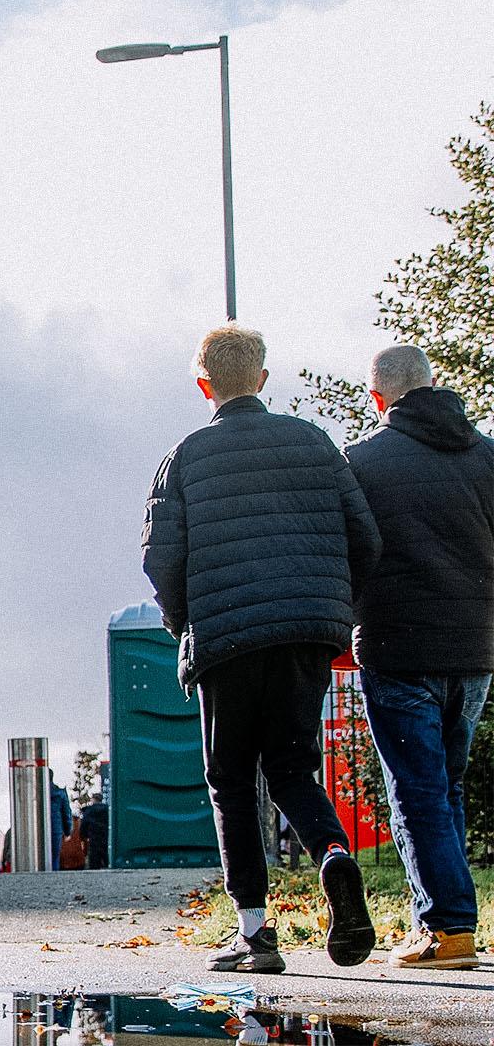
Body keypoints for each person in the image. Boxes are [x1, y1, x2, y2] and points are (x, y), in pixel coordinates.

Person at [143, 325, 380, 975]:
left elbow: (161, 556)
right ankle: (333, 853)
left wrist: (182, 622)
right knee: (293, 768)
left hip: (226, 639)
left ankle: (255, 932)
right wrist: (331, 609)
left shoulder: (185, 456)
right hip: (308, 636)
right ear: (264, 379)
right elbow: (366, 535)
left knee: (230, 782)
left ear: (204, 384)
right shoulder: (315, 444)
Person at [342, 344, 493, 970]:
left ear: (378, 399)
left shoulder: (361, 462)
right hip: (478, 648)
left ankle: (448, 926)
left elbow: (347, 555)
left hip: (399, 648)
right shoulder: (488, 455)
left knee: (418, 790)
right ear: (435, 385)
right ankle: (441, 917)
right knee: (445, 786)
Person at [49, 773, 74, 872]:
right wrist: (67, 831)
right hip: (55, 829)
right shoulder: (60, 793)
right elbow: (66, 813)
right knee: (54, 858)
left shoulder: (35, 792)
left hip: (36, 830)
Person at [80, 793, 110, 870]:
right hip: (106, 837)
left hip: (93, 837)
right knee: (107, 859)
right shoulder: (108, 809)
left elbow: (84, 824)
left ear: (93, 799)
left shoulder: (89, 810)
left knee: (94, 862)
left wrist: (83, 836)